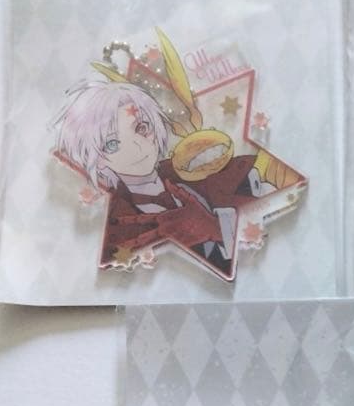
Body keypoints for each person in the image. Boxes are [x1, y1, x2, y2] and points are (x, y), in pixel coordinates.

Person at [53, 80, 267, 275]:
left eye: (141, 127)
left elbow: (256, 192)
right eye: (112, 144)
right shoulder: (121, 223)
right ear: (98, 161)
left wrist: (215, 227)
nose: (138, 146)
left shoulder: (195, 168)